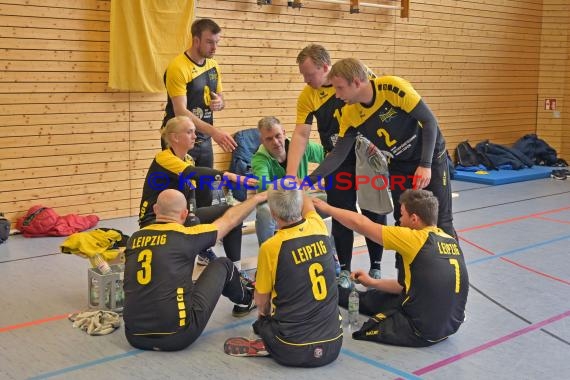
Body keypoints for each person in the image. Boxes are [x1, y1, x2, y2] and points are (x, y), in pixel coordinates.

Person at [313, 58, 456, 241]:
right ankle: (406, 269)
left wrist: (426, 164)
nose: (337, 95)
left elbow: (429, 121)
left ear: (356, 82)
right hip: (399, 163)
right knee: (402, 222)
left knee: (442, 221)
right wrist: (310, 179)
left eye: (339, 88)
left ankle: (455, 268)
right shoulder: (350, 114)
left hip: (430, 156)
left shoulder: (392, 87)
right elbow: (338, 153)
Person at [312, 189, 468, 347]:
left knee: (365, 330)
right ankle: (338, 291)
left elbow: (361, 224)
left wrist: (327, 209)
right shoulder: (450, 239)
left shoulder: (415, 238)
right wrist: (372, 282)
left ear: (414, 219)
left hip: (422, 331)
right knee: (370, 298)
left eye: (402, 215)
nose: (399, 220)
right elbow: (406, 286)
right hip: (450, 327)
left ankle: (326, 290)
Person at [287, 44, 387, 283]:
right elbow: (300, 135)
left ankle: (376, 265)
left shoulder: (355, 76)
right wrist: (291, 176)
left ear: (325, 67)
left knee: (374, 211)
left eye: (309, 74)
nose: (306, 79)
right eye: (303, 74)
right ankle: (344, 268)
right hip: (336, 160)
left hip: (367, 159)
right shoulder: (308, 95)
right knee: (341, 214)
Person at [124, 188, 267, 352]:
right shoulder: (187, 236)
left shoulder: (134, 238)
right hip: (177, 336)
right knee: (223, 264)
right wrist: (257, 198)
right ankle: (248, 299)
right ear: (184, 214)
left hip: (134, 336)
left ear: (156, 209)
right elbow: (229, 220)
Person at [224, 182, 342, 367]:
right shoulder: (318, 226)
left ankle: (269, 342)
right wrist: (294, 183)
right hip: (334, 344)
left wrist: (264, 320)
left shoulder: (271, 247)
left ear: (272, 214)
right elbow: (308, 204)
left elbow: (262, 300)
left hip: (291, 349)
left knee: (261, 321)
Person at [139, 116, 256, 272]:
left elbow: (192, 191)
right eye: (189, 132)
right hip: (155, 220)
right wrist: (229, 175)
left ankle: (236, 270)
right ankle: (199, 255)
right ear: (175, 137)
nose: (195, 136)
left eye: (195, 132)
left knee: (231, 211)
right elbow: (193, 173)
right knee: (193, 222)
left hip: (181, 216)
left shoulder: (187, 159)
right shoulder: (164, 158)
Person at [161, 18, 237, 208]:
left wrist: (220, 103)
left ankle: (204, 233)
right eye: (210, 42)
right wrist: (215, 132)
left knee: (205, 190)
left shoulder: (213, 66)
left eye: (217, 42)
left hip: (202, 138)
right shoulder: (178, 67)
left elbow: (221, 99)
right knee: (179, 192)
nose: (215, 47)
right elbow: (180, 111)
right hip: (178, 138)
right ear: (196, 41)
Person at [251, 116, 325, 245]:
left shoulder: (301, 147)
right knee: (264, 212)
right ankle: (268, 251)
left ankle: (332, 252)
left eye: (278, 136)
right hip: (275, 204)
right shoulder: (259, 159)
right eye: (269, 139)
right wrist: (300, 186)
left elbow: (328, 156)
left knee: (337, 201)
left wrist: (323, 181)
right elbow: (264, 187)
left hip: (300, 199)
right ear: (262, 140)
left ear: (284, 133)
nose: (275, 142)